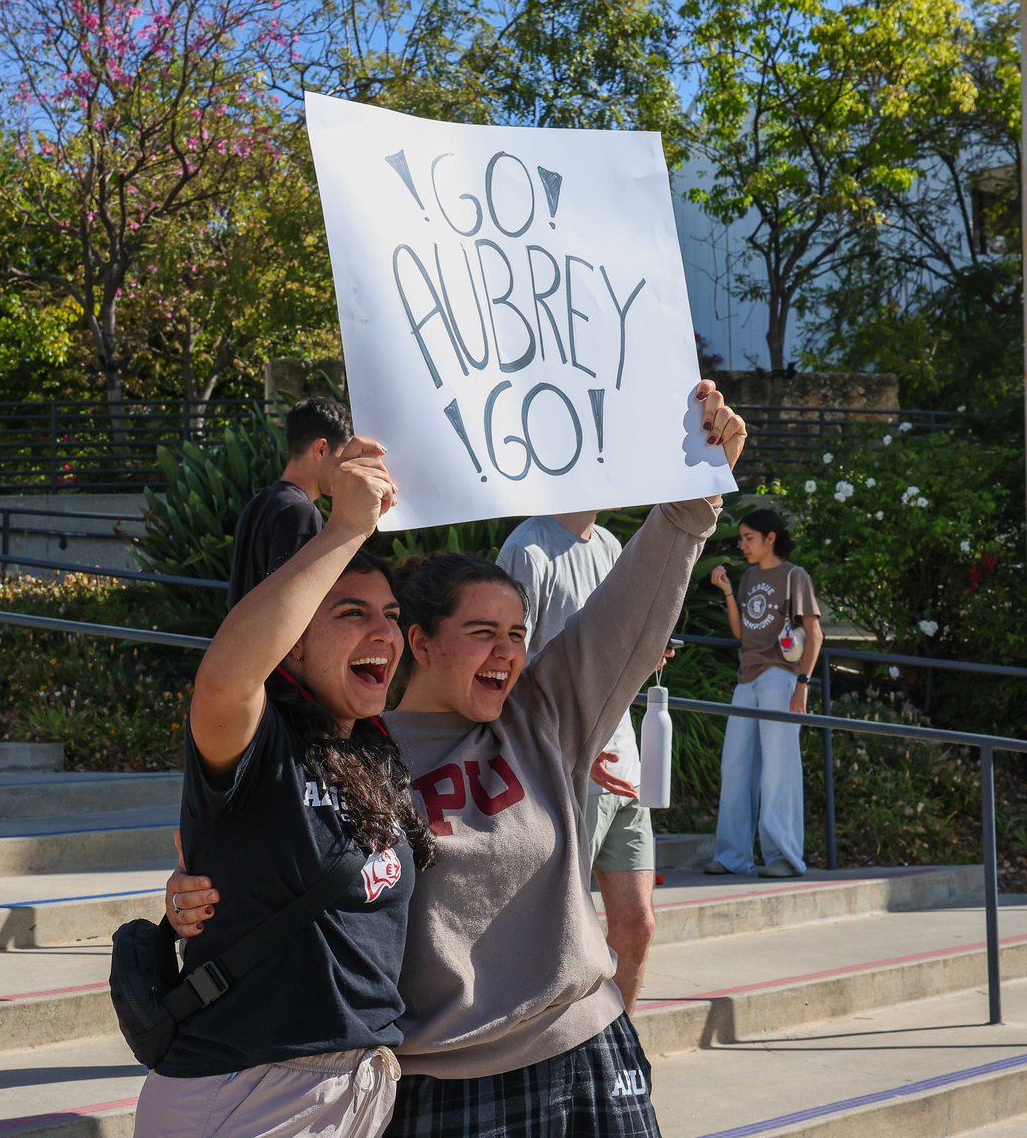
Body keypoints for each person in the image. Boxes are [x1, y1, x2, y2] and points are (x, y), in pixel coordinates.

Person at [168, 380, 747, 1137]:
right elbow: (248, 769)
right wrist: (190, 891)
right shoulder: (350, 752)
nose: (509, 652)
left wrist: (695, 494)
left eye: (518, 633)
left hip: (589, 1051)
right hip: (438, 1086)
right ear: (423, 643)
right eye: (484, 632)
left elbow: (631, 609)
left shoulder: (547, 717)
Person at [134, 441, 434, 1138]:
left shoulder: (379, 752)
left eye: (390, 615)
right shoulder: (257, 743)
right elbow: (223, 679)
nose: (382, 631)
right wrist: (345, 529)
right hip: (247, 1092)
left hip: (357, 1088)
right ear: (293, 645)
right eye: (352, 613)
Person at [496, 511, 670, 1014]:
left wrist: (644, 652)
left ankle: (622, 1056)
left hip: (625, 765)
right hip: (568, 765)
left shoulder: (613, 545)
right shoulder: (528, 548)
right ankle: (559, 1056)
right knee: (565, 929)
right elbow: (508, 667)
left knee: (637, 924)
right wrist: (568, 746)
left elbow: (610, 645)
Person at [705, 507, 822, 879]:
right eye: (742, 539)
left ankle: (783, 856)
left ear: (770, 537)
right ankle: (732, 855)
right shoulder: (750, 577)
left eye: (748, 538)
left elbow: (814, 634)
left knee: (778, 770)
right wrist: (727, 592)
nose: (743, 545)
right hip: (747, 678)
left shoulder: (794, 576)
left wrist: (802, 684)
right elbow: (743, 633)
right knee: (735, 766)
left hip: (780, 677)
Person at [229, 396, 353, 607]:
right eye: (344, 456)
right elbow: (292, 604)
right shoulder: (300, 511)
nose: (348, 468)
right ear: (321, 449)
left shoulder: (260, 501)